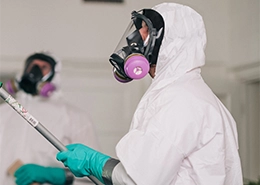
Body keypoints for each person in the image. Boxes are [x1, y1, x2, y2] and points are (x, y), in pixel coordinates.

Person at [56, 2, 243, 185]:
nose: (135, 38)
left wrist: (94, 162)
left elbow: (137, 181)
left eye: (146, 30)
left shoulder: (178, 100)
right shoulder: (200, 97)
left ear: (171, 41)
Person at [0, 51, 100, 185]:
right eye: (33, 66)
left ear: (54, 75)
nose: (35, 72)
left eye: (44, 67)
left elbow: (93, 174)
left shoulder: (74, 116)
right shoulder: (4, 112)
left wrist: (59, 176)